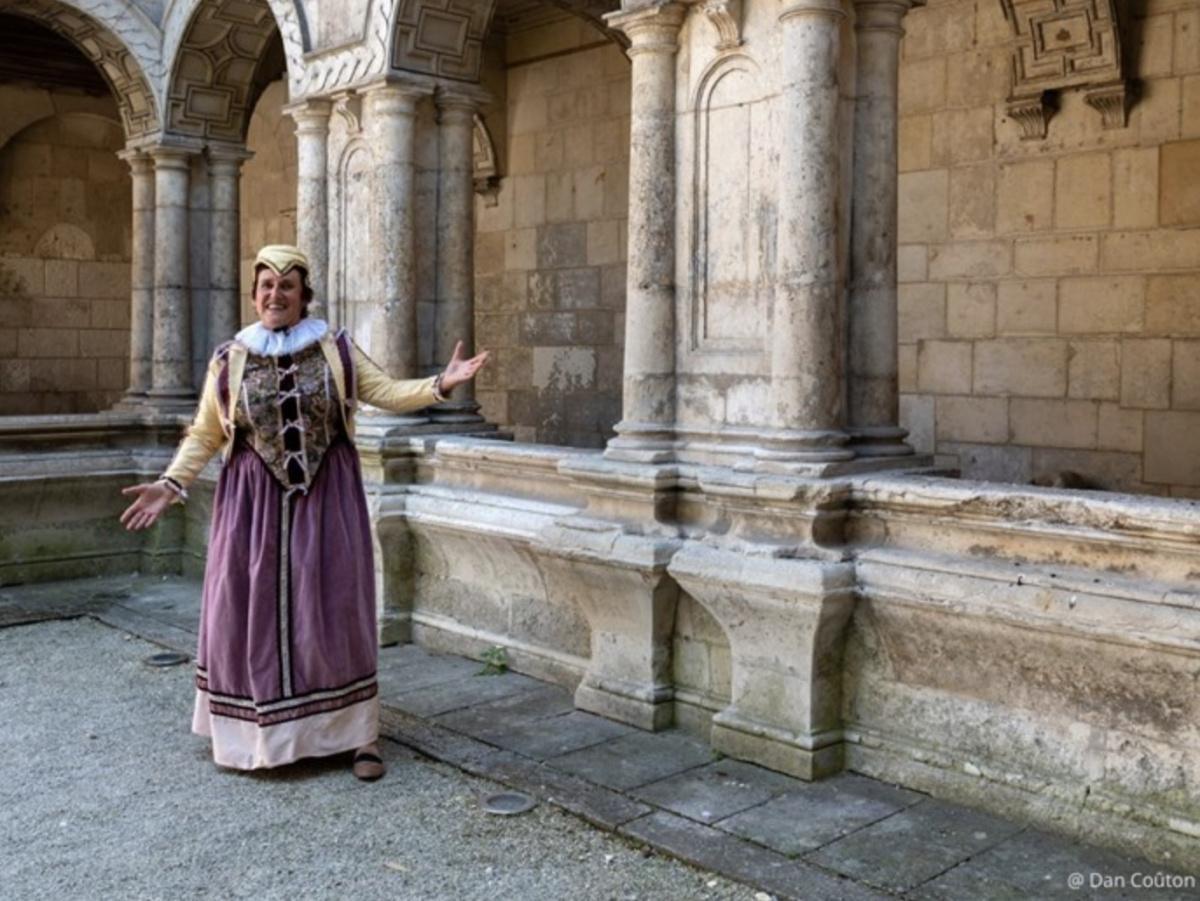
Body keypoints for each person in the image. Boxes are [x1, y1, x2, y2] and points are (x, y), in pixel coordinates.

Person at [120, 244, 488, 781]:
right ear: (253, 294)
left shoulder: (333, 348)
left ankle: (359, 736)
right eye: (266, 284)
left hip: (327, 494)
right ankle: (261, 737)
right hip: (252, 503)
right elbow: (207, 432)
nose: (276, 294)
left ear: (304, 294)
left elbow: (383, 390)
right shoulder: (230, 358)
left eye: (287, 285)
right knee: (253, 610)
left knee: (334, 607)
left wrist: (440, 384)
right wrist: (171, 483)